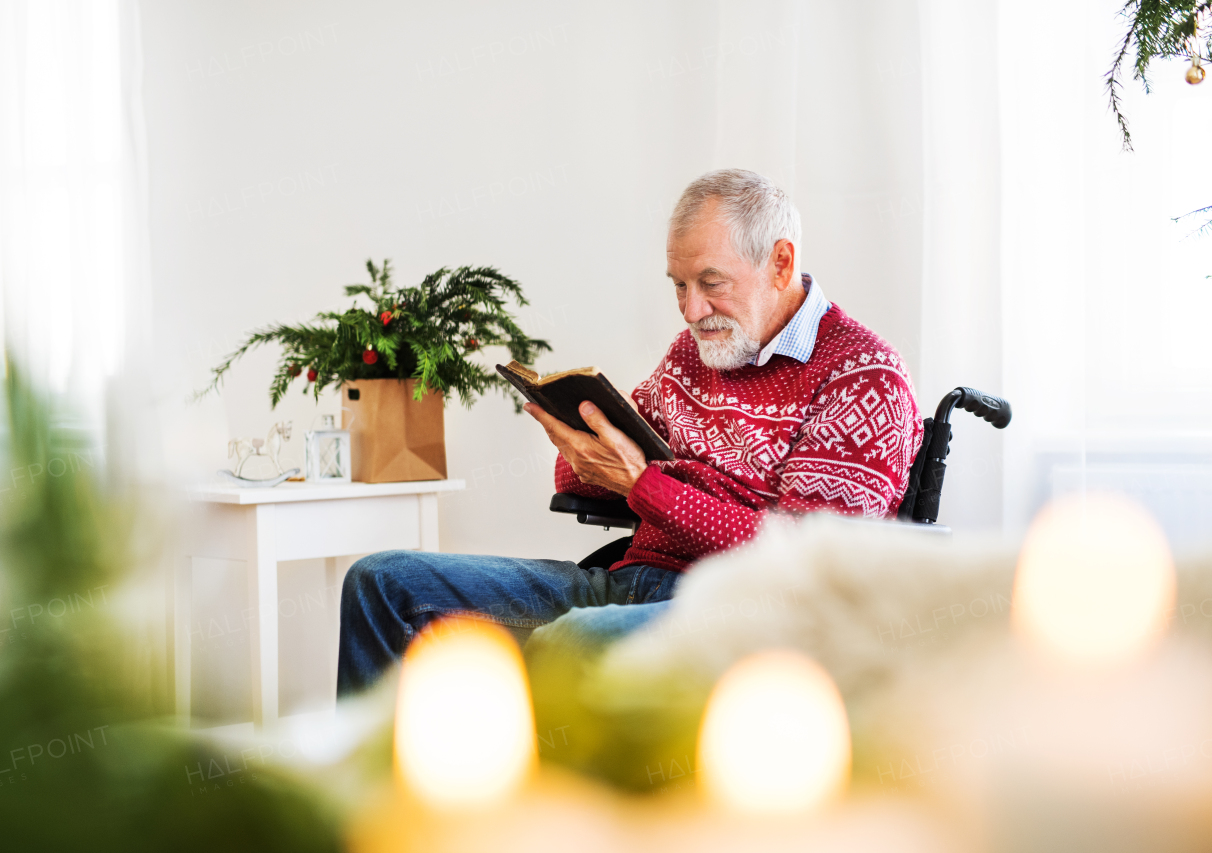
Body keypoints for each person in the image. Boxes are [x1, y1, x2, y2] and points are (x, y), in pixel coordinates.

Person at [337, 168, 923, 694]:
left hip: (748, 610)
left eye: (711, 282)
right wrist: (580, 447)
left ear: (781, 263)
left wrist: (646, 485)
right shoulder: (694, 354)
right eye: (678, 284)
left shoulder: (863, 378)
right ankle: (360, 802)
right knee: (381, 583)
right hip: (632, 578)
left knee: (571, 642)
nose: (691, 311)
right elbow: (594, 482)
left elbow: (807, 565)